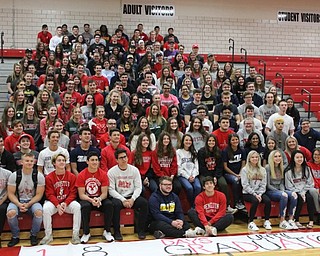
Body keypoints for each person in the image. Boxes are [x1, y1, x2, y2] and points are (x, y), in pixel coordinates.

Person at [108, 148, 148, 240]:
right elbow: (111, 190)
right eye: (121, 158)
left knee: (144, 203)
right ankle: (117, 231)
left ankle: (141, 230)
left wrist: (133, 199)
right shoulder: (111, 172)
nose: (124, 159)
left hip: (131, 196)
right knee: (115, 205)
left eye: (125, 157)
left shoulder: (134, 170)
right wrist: (123, 200)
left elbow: (138, 187)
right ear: (116, 160)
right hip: (119, 197)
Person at [40, 154, 81, 245]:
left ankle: (75, 234)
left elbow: (73, 193)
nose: (62, 162)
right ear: (54, 163)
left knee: (77, 206)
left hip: (67, 203)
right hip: (55, 203)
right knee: (46, 208)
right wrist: (57, 205)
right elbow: (49, 194)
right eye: (59, 160)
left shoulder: (71, 176)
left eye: (63, 160)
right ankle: (48, 235)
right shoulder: (49, 177)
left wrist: (65, 203)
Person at [6, 153, 45, 247]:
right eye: (27, 161)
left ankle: (33, 235)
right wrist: (19, 204)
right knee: (10, 213)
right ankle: (15, 236)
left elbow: (39, 195)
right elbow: (10, 194)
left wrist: (28, 204)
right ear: (21, 162)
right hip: (17, 201)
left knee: (39, 212)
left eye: (31, 161)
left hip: (32, 201)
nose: (29, 163)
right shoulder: (15, 175)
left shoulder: (39, 175)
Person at [76, 151, 114, 243]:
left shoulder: (103, 174)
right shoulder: (81, 175)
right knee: (85, 206)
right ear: (87, 162)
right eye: (92, 160)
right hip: (87, 198)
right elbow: (81, 195)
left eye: (96, 160)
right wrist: (91, 200)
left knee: (109, 204)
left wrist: (99, 199)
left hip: (99, 198)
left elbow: (104, 193)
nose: (95, 162)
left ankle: (107, 231)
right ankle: (86, 233)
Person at [265, 150, 298, 230]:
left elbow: (282, 183)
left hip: (280, 190)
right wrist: (280, 192)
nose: (278, 158)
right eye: (275, 156)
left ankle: (291, 219)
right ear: (271, 158)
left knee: (294, 194)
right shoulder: (267, 167)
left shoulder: (282, 167)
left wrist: (282, 191)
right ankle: (282, 221)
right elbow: (267, 185)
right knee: (284, 195)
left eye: (279, 156)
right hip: (270, 191)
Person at [285, 150, 317, 229]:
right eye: (297, 157)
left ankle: (311, 220)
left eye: (301, 157)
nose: (299, 159)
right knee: (298, 198)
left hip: (305, 190)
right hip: (295, 191)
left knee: (310, 198)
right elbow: (288, 186)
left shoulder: (306, 169)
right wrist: (299, 192)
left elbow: (310, 183)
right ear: (293, 159)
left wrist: (303, 192)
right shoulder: (288, 171)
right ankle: (296, 220)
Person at [241, 150, 272, 231]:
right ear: (249, 159)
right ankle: (250, 222)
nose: (255, 159)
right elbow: (245, 185)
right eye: (252, 157)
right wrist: (255, 194)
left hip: (259, 192)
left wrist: (260, 194)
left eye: (256, 157)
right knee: (255, 201)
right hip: (247, 193)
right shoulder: (244, 170)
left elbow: (263, 184)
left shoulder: (262, 169)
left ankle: (267, 221)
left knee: (268, 201)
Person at [223, 133, 246, 212]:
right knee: (236, 180)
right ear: (229, 141)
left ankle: (244, 202)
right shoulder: (226, 151)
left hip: (239, 172)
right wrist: (235, 175)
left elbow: (243, 163)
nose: (235, 141)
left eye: (236, 139)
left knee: (243, 180)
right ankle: (237, 202)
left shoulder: (242, 150)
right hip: (228, 173)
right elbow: (225, 167)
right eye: (233, 140)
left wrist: (240, 173)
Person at [176, 134, 201, 207]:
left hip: (193, 175)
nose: (188, 142)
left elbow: (196, 167)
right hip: (183, 176)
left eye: (190, 140)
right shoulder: (178, 152)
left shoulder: (194, 152)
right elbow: (179, 167)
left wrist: (193, 175)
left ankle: (196, 205)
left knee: (198, 187)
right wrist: (187, 177)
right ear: (183, 141)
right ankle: (192, 206)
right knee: (189, 188)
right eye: (186, 140)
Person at [0, 166, 11, 247]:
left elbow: (9, 191)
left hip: (3, 199)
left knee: (2, 209)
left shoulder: (7, 173)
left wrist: (1, 201)